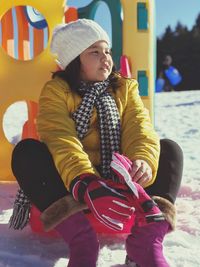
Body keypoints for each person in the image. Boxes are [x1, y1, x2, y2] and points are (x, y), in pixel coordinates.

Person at [10, 19, 183, 267]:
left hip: (121, 180)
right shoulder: (57, 91)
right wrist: (85, 181)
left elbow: (139, 127)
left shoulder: (124, 88)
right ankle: (82, 241)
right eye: (94, 52)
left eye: (107, 51)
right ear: (74, 60)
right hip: (75, 184)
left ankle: (147, 240)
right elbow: (60, 137)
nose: (106, 58)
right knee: (27, 152)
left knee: (169, 150)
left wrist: (142, 160)